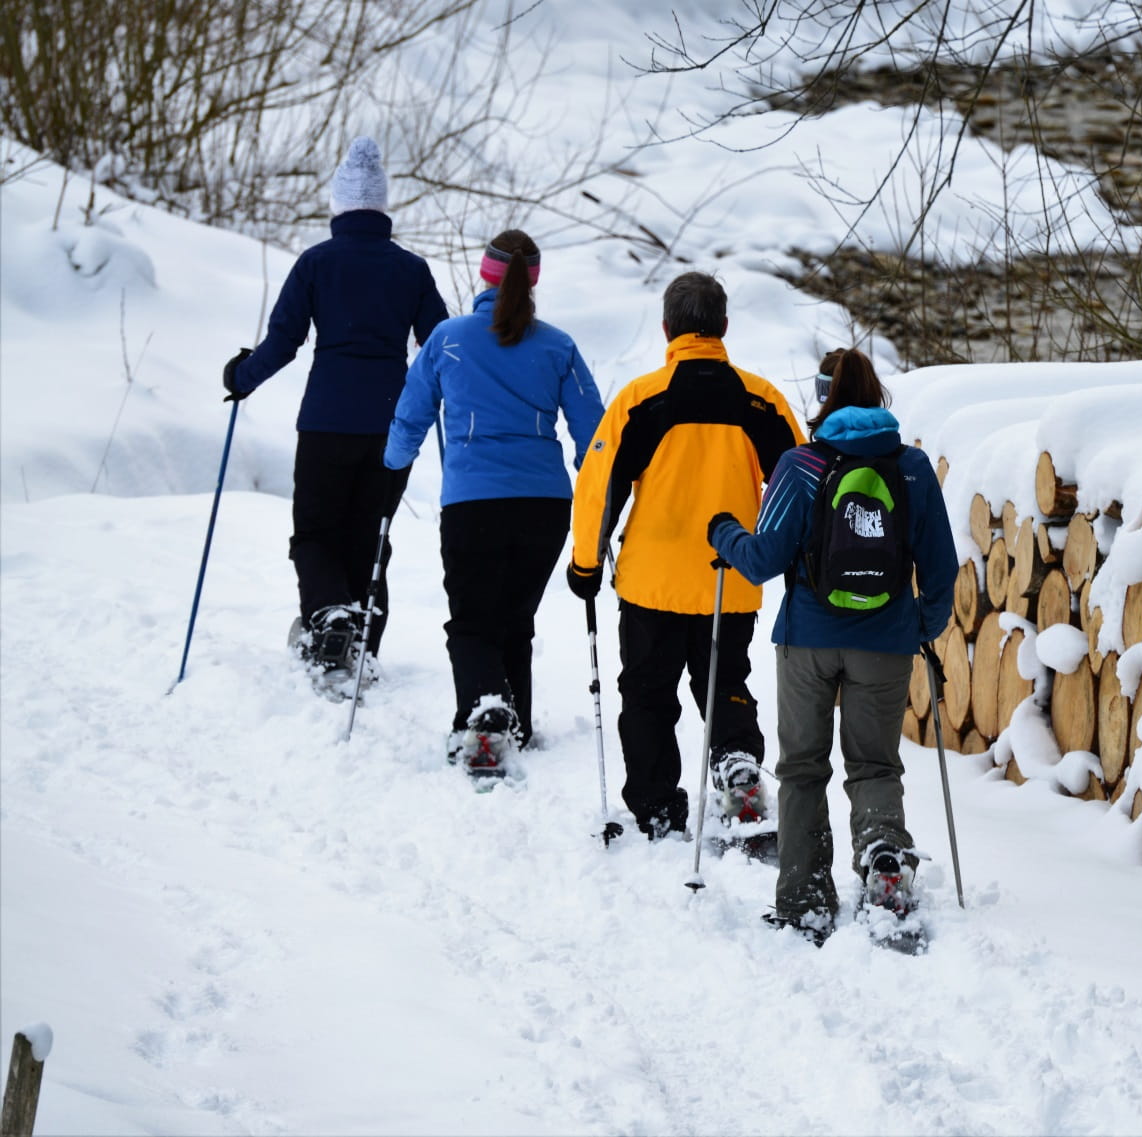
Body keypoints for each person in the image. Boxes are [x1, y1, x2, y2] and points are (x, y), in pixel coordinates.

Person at [707, 347, 958, 943]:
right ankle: (883, 860)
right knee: (874, 763)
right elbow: (942, 567)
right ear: (880, 398)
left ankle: (803, 899)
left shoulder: (800, 466)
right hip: (886, 643)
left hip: (808, 642)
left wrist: (724, 531)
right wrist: (920, 626)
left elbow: (763, 561)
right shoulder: (914, 468)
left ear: (823, 397)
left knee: (801, 768)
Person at [566, 272, 804, 841]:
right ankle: (737, 764)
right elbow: (801, 485)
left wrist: (585, 563)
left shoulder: (640, 399)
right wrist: (793, 559)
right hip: (732, 577)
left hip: (652, 582)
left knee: (647, 695)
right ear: (723, 326)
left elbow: (599, 487)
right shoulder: (761, 400)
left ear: (667, 329)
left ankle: (655, 806)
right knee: (726, 684)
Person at [222, 137, 448, 685]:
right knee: (371, 534)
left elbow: (283, 342)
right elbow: (441, 344)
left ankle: (327, 615)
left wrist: (240, 377)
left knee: (316, 531)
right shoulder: (411, 270)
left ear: (340, 207)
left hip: (326, 422)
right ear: (381, 208)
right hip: (392, 426)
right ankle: (362, 641)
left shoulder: (316, 264)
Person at [384, 229, 603, 757]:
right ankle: (516, 724)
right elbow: (594, 432)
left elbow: (410, 414)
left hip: (473, 502)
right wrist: (597, 491)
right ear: (534, 281)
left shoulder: (448, 339)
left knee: (472, 622)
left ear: (486, 273)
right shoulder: (558, 346)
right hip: (545, 506)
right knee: (514, 617)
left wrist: (392, 463)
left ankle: (486, 715)